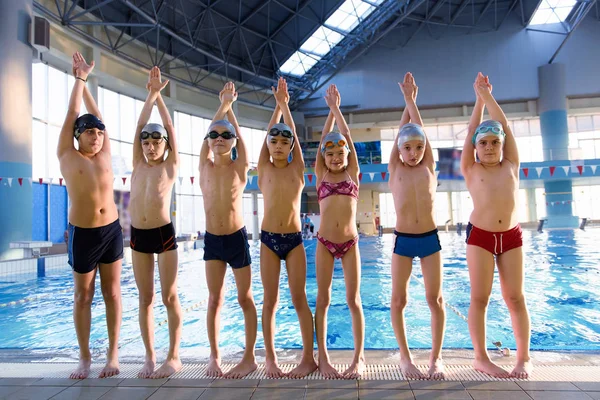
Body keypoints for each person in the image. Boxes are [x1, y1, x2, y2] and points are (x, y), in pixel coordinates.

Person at [460, 72, 532, 379]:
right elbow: (469, 133)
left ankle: (524, 358)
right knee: (480, 297)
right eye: (484, 143)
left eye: (495, 142)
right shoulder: (470, 167)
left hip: (511, 237)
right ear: (476, 147)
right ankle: (481, 357)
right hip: (481, 237)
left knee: (515, 297)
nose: (489, 147)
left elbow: (508, 129)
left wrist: (489, 96)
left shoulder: (511, 164)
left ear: (502, 145)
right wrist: (478, 101)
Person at [58, 52, 122, 379]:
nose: (96, 137)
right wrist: (79, 80)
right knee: (83, 295)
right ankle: (85, 358)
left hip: (111, 230)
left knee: (112, 293)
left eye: (99, 134)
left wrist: (88, 89)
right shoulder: (68, 155)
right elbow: (73, 113)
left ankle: (112, 357)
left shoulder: (105, 154)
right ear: (77, 135)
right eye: (89, 133)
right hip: (83, 233)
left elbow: (98, 117)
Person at [257, 77, 317, 378]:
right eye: (274, 141)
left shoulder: (296, 169)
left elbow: (291, 132)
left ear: (291, 147)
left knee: (299, 298)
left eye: (284, 142)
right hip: (268, 240)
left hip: (294, 241)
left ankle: (308, 357)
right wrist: (277, 107)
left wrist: (285, 104)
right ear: (268, 144)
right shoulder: (264, 167)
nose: (279, 146)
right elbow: (273, 132)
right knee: (270, 300)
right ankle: (270, 359)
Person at [388, 72, 446, 379]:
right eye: (407, 148)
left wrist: (413, 100)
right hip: (403, 240)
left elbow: (418, 131)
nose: (413, 152)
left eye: (418, 148)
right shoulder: (395, 166)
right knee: (399, 300)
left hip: (429, 239)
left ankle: (436, 359)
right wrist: (407, 101)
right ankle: (406, 359)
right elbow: (406, 131)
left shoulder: (428, 166)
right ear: (399, 150)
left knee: (434, 299)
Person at [199, 81, 258, 378]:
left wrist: (230, 109)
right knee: (214, 299)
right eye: (215, 135)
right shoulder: (204, 166)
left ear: (233, 140)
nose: (219, 138)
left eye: (226, 136)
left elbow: (238, 137)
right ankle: (214, 356)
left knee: (245, 298)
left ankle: (249, 356)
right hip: (212, 241)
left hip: (236, 239)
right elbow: (211, 130)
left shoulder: (239, 168)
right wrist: (223, 104)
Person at [129, 66, 182, 379]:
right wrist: (149, 94)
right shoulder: (138, 162)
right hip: (137, 236)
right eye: (146, 143)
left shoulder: (171, 166)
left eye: (156, 143)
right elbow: (139, 126)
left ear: (164, 146)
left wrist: (159, 97)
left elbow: (171, 129)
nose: (150, 147)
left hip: (163, 235)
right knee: (146, 298)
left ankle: (173, 356)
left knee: (169, 296)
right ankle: (150, 356)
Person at [314, 84, 365, 379]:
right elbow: (325, 139)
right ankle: (323, 357)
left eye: (340, 152)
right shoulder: (321, 174)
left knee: (353, 300)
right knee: (324, 299)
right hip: (323, 243)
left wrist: (337, 110)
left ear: (347, 156)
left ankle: (359, 358)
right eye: (329, 153)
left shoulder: (352, 174)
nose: (335, 156)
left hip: (350, 243)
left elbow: (347, 139)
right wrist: (329, 113)